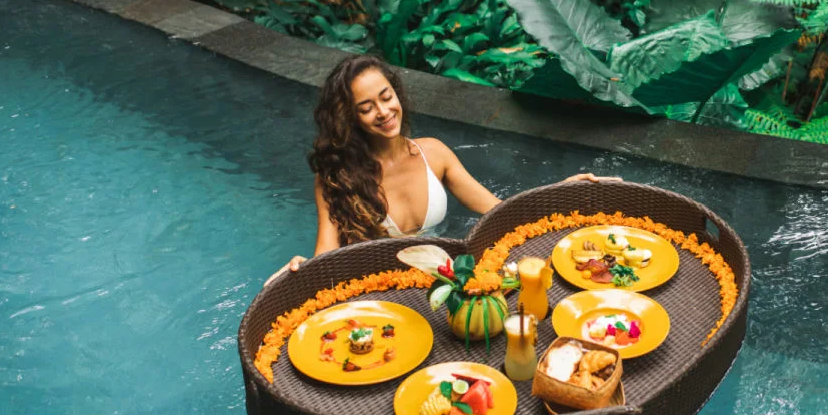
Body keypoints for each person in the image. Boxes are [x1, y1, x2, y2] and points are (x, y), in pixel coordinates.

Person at [265, 55, 618, 285]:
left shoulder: (433, 153)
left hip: (444, 283)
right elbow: (326, 253)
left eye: (387, 97)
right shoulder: (336, 177)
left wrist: (561, 191)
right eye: (366, 107)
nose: (384, 112)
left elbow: (500, 211)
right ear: (350, 117)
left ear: (397, 93)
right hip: (381, 289)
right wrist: (302, 271)